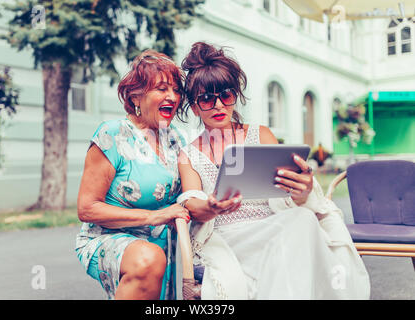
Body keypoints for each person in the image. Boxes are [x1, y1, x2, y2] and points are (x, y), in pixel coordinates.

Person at [176, 42, 370, 299]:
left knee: (301, 219)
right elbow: (191, 204)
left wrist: (304, 189)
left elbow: (291, 194)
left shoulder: (261, 134)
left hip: (276, 227)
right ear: (195, 106)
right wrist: (211, 207)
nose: (219, 105)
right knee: (297, 228)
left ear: (235, 95)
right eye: (207, 99)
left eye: (226, 95)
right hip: (230, 239)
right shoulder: (188, 154)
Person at [75, 49, 190, 300]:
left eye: (176, 90)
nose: (172, 96)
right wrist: (154, 216)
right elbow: (87, 208)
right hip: (110, 238)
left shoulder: (176, 139)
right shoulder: (112, 134)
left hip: (161, 246)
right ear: (136, 96)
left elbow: (188, 192)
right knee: (148, 260)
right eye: (161, 89)